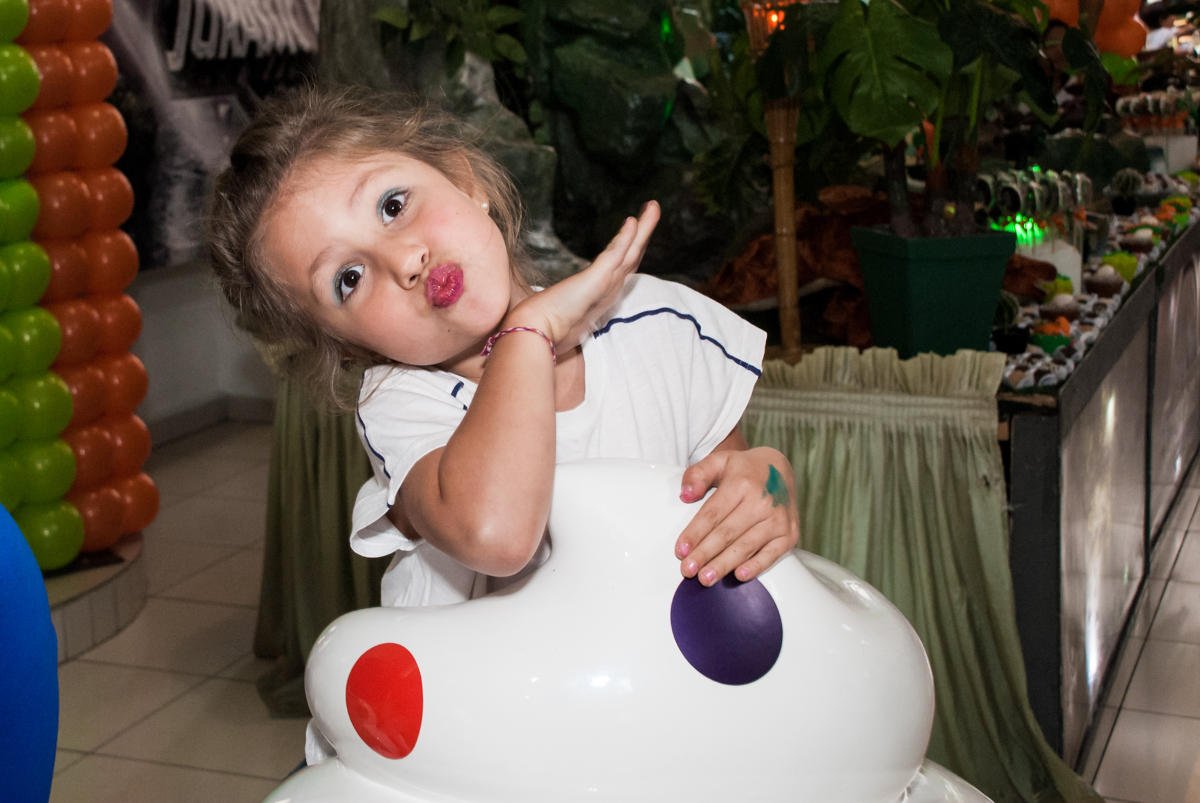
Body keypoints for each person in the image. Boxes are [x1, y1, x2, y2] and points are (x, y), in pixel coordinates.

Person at [207, 85, 799, 757]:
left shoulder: (663, 324)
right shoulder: (402, 401)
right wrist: (530, 331)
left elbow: (732, 477)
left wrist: (767, 482)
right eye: (348, 278)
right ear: (350, 346)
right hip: (480, 749)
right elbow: (498, 532)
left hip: (642, 718)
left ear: (467, 183)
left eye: (393, 205)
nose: (404, 260)